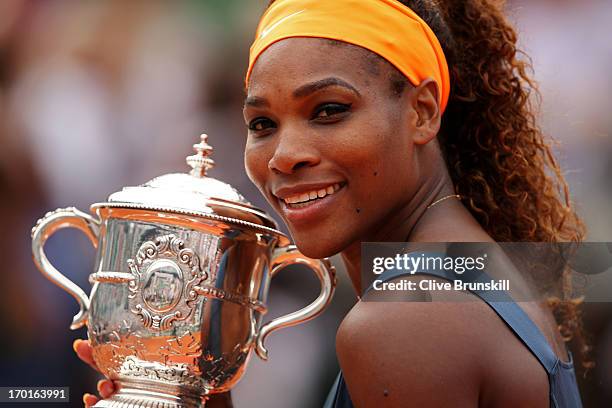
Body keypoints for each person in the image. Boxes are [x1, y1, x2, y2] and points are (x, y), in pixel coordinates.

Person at [76, 0, 591, 406]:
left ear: (422, 112)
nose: (284, 156)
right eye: (262, 124)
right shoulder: (467, 269)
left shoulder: (405, 321)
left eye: (328, 110)